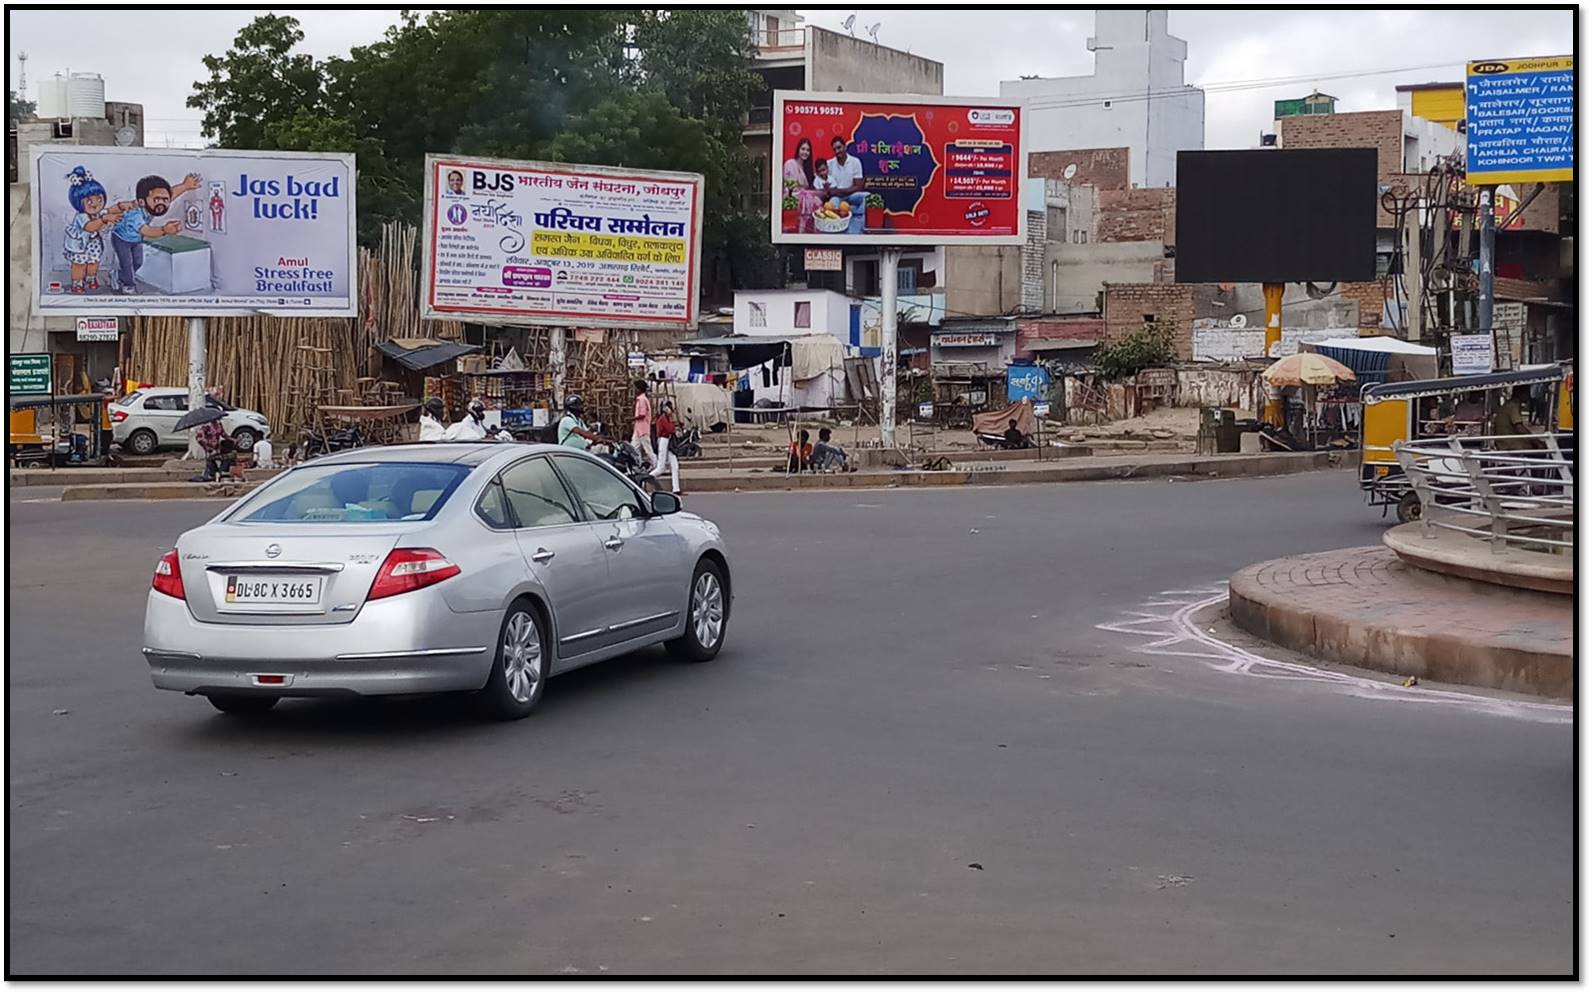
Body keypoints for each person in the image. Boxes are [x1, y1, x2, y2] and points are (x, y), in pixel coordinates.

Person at [111, 173, 201, 293]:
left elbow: (171, 194)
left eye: (165, 200)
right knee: (127, 264)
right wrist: (164, 230)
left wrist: (185, 186)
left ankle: (118, 275)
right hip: (121, 238)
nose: (162, 203)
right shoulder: (135, 214)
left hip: (136, 239)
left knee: (137, 262)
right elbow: (147, 231)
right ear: (142, 202)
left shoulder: (151, 205)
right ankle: (129, 286)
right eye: (157, 200)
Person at [62, 166, 126, 293]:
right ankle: (77, 282)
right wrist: (105, 219)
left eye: (99, 199)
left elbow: (110, 209)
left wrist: (122, 206)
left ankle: (91, 278)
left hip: (94, 244)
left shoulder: (99, 213)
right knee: (79, 265)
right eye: (89, 201)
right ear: (78, 203)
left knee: (94, 262)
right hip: (80, 246)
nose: (96, 203)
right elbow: (90, 227)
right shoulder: (81, 216)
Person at [825, 134, 868, 215]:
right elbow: (829, 190)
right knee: (830, 207)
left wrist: (838, 190)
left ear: (845, 147)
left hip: (852, 196)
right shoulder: (829, 164)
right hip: (837, 198)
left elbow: (858, 187)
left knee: (867, 197)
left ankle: (850, 210)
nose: (837, 151)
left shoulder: (855, 162)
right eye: (834, 149)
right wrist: (834, 191)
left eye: (839, 147)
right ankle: (846, 211)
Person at [652, 400, 680, 492]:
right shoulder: (662, 419)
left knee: (675, 465)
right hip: (664, 441)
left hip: (669, 441)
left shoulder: (667, 418)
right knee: (661, 468)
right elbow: (669, 429)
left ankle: (676, 488)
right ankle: (647, 478)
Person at [190, 417, 229, 482]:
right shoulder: (206, 426)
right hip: (208, 447)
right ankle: (212, 473)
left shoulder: (219, 424)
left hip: (217, 447)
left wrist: (233, 439)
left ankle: (219, 473)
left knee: (225, 459)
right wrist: (207, 447)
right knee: (210, 460)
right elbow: (199, 438)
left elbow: (223, 434)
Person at [631, 380, 657, 471]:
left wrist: (632, 419)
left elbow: (642, 414)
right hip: (638, 429)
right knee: (634, 448)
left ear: (639, 389)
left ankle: (656, 465)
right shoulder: (641, 399)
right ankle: (637, 465)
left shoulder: (642, 400)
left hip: (642, 428)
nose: (634, 390)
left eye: (635, 388)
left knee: (647, 448)